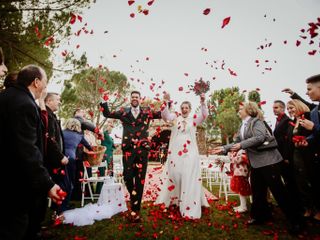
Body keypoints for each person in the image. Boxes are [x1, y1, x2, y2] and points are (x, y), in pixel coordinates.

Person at [212, 102, 303, 234]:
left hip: (268, 161)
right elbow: (237, 141)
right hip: (256, 163)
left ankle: (297, 222)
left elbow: (260, 137)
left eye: (241, 109)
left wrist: (241, 145)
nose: (238, 111)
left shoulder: (256, 122)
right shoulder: (243, 125)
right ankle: (260, 217)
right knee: (258, 191)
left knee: (279, 192)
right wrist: (224, 148)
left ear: (249, 110)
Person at [0, 65, 64, 240]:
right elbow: (27, 149)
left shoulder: (6, 97)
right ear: (36, 82)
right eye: (45, 82)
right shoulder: (24, 104)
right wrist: (48, 184)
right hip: (14, 183)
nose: (45, 88)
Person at [100, 90, 162, 222]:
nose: (135, 99)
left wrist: (167, 102)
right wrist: (103, 99)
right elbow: (107, 113)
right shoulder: (123, 112)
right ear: (130, 99)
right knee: (127, 177)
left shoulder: (147, 112)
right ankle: (134, 199)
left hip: (143, 150)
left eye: (137, 97)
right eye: (133, 97)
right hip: (128, 149)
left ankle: (136, 210)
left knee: (140, 180)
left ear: (140, 99)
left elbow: (162, 114)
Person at [155, 93, 209, 219]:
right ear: (180, 109)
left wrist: (202, 102)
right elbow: (165, 115)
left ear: (190, 110)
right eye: (182, 107)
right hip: (176, 153)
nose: (184, 109)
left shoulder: (193, 120)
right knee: (176, 175)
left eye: (187, 108)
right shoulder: (175, 118)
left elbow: (204, 115)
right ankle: (176, 198)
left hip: (190, 153)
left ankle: (188, 202)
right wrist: (166, 102)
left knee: (188, 176)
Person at [285, 99, 318, 218]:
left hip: (308, 154)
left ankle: (317, 209)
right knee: (301, 182)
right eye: (288, 108)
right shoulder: (292, 122)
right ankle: (308, 207)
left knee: (312, 181)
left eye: (291, 107)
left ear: (298, 106)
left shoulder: (308, 116)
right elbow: (289, 141)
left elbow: (314, 134)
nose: (289, 110)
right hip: (296, 155)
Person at [45, 93, 71, 215]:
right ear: (49, 101)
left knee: (65, 186)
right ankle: (59, 213)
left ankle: (58, 212)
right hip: (54, 160)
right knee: (63, 186)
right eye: (57, 100)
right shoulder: (48, 117)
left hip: (58, 159)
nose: (59, 103)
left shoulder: (52, 116)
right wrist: (60, 157)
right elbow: (50, 139)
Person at [63, 118, 92, 212]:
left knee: (60, 182)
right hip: (71, 159)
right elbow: (88, 147)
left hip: (59, 158)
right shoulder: (79, 136)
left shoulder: (61, 132)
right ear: (78, 126)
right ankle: (65, 205)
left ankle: (58, 203)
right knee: (70, 182)